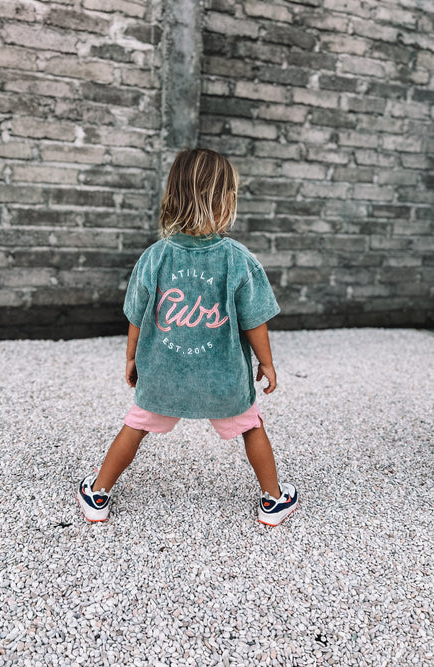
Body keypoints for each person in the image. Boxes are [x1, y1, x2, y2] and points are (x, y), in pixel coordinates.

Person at [76, 148, 298, 526]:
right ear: (227, 201)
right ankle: (273, 500)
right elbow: (254, 321)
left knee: (135, 426)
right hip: (223, 379)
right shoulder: (238, 259)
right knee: (251, 426)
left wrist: (131, 358)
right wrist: (267, 362)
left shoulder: (154, 257)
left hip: (164, 377)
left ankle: (98, 493)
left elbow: (137, 316)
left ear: (172, 197)